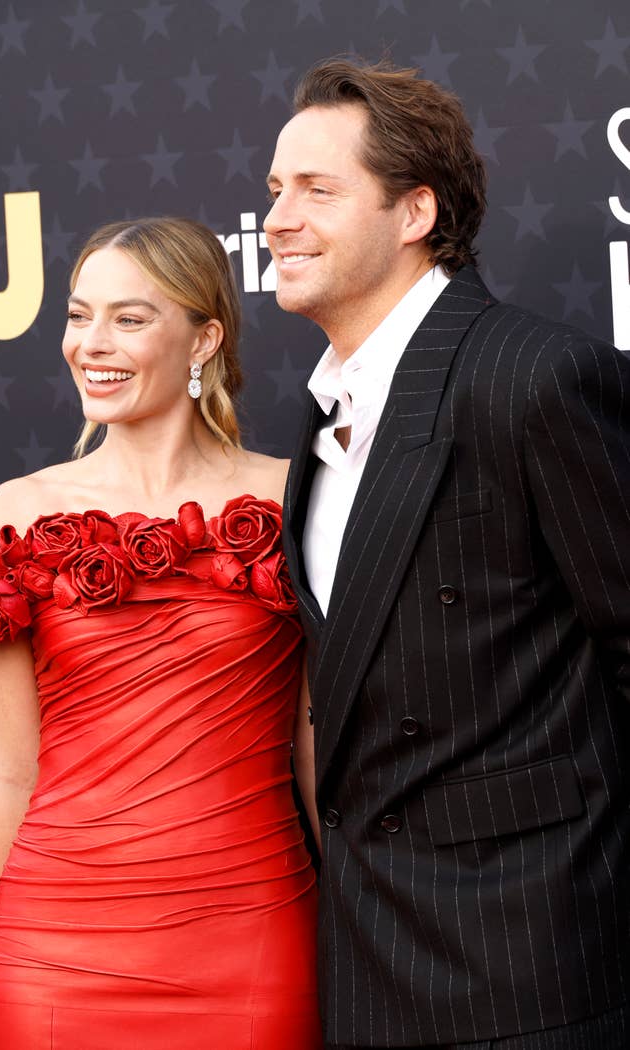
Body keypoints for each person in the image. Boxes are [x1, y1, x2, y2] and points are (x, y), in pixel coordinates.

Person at [263, 57, 630, 1050]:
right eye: (273, 191)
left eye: (316, 190)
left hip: (529, 974)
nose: (277, 218)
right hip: (368, 969)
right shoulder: (322, 409)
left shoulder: (530, 378)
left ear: (414, 210)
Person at [0, 216, 322, 1049]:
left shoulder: (295, 502)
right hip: (56, 951)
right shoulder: (17, 512)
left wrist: (371, 934)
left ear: (204, 338)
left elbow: (315, 750)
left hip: (250, 937)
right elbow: (8, 769)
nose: (90, 343)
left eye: (129, 318)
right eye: (78, 315)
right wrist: (6, 940)